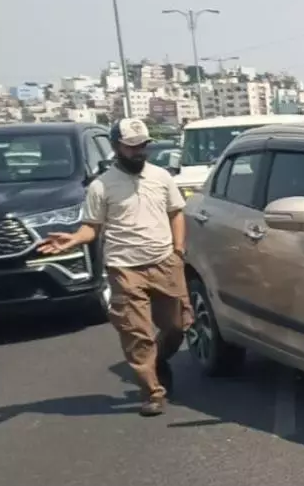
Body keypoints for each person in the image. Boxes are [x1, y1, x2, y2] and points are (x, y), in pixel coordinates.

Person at [37, 117, 192, 416]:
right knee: (136, 332)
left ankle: (158, 361)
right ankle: (153, 391)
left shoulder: (161, 177)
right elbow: (91, 228)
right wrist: (72, 240)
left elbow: (176, 213)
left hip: (164, 263)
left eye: (142, 146)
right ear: (116, 147)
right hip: (124, 267)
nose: (138, 152)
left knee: (177, 326)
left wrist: (178, 249)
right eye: (131, 146)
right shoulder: (101, 186)